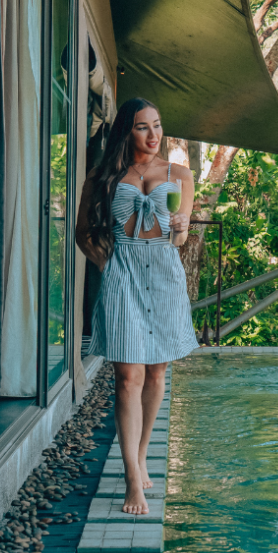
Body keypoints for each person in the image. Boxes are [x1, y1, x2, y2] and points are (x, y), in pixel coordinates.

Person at [75, 97, 198, 514]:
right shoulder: (106, 176)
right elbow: (83, 232)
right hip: (123, 272)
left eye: (158, 125)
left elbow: (178, 240)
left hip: (164, 273)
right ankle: (132, 479)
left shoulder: (179, 174)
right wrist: (109, 264)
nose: (154, 135)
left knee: (157, 372)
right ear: (127, 130)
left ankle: (142, 452)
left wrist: (181, 226)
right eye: (143, 127)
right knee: (127, 377)